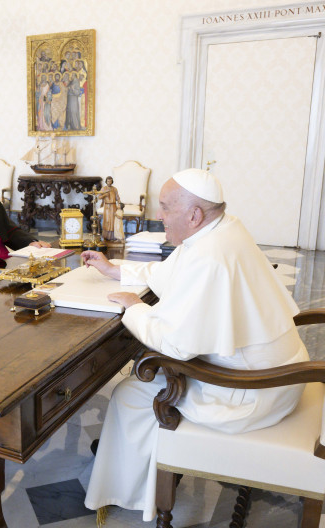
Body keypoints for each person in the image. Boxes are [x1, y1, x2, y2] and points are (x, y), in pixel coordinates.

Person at [82, 169, 309, 522]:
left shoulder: (210, 254)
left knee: (131, 392)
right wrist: (116, 271)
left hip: (252, 393)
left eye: (165, 208)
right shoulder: (223, 229)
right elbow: (171, 273)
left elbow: (176, 345)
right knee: (141, 384)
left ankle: (131, 491)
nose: (158, 216)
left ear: (194, 215)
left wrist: (134, 308)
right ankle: (138, 462)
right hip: (278, 375)